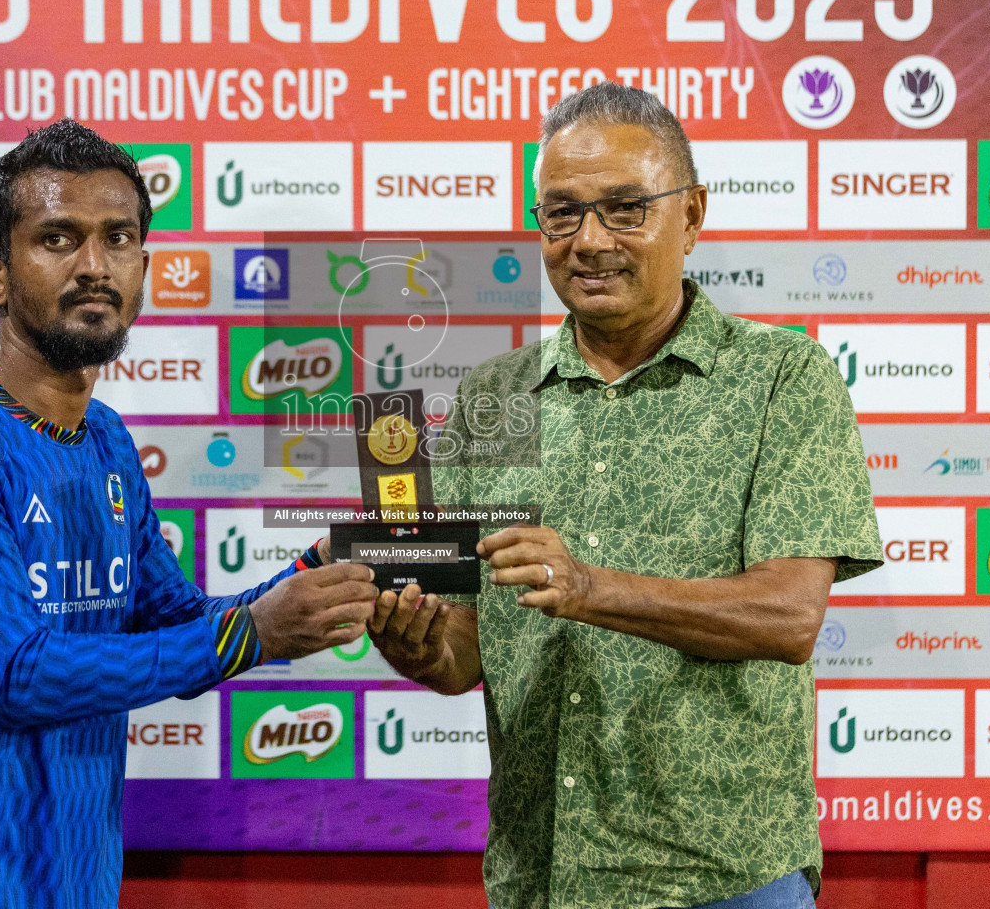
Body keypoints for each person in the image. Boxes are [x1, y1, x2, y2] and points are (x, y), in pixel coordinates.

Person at [365, 82, 882, 909]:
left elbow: (789, 617)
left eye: (625, 209)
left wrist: (590, 588)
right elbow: (464, 655)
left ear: (694, 216)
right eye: (561, 212)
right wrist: (413, 641)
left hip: (722, 879)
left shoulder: (784, 378)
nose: (590, 240)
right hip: (543, 878)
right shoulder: (493, 398)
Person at [0, 120, 376, 908]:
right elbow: (20, 675)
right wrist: (253, 631)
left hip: (77, 882)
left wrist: (314, 576)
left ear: (144, 265)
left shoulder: (107, 440)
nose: (95, 266)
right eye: (58, 239)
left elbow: (178, 622)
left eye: (118, 238)